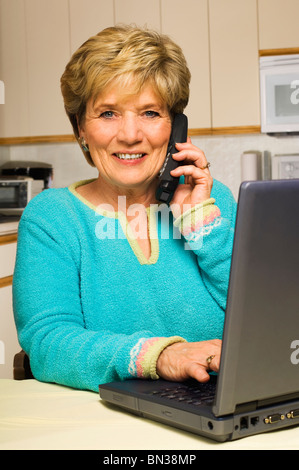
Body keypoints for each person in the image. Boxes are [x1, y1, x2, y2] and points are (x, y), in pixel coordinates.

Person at [13, 25, 237, 392]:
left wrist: (202, 227)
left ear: (175, 128)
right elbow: (47, 342)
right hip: (104, 419)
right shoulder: (51, 218)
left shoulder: (215, 202)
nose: (131, 134)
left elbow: (265, 324)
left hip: (218, 406)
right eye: (108, 113)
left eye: (150, 112)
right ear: (80, 128)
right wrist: (159, 357)